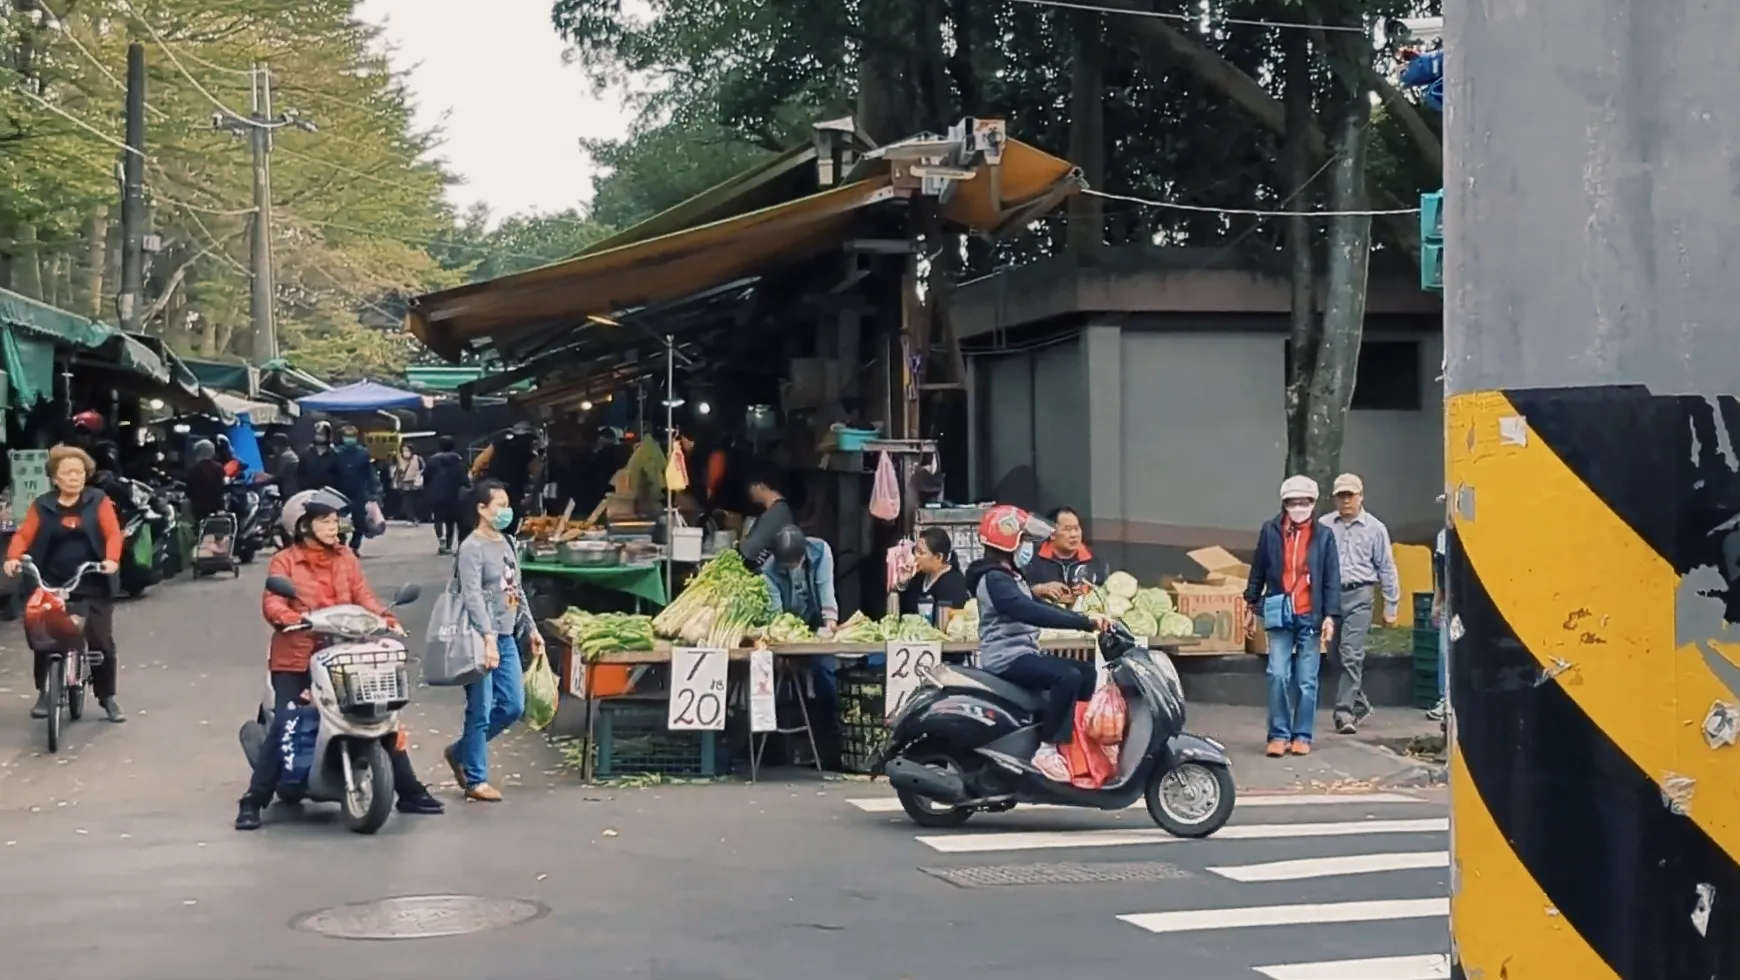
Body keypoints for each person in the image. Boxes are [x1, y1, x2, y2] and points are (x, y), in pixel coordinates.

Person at [233, 488, 445, 830]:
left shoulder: (347, 558)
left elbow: (364, 597)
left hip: (346, 654)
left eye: (336, 521)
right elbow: (273, 602)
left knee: (380, 712)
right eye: (326, 521)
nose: (335, 527)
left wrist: (386, 619)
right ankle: (253, 801)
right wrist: (291, 619)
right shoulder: (284, 561)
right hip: (297, 658)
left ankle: (409, 791)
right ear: (303, 526)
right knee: (288, 722)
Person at [963, 504, 1109, 782]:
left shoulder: (1010, 575)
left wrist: (1084, 616)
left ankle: (1076, 743)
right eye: (1024, 541)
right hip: (1006, 658)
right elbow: (1030, 611)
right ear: (1009, 542)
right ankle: (1047, 749)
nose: (1027, 547)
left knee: (1086, 673)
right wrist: (1084, 622)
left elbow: (1038, 605)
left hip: (1024, 652)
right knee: (1066, 676)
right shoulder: (995, 579)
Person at [4, 445, 125, 723]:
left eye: (80, 472)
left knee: (100, 642)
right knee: (44, 635)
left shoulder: (98, 500)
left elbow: (112, 534)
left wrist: (111, 560)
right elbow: (23, 536)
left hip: (92, 580)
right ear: (55, 478)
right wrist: (12, 558)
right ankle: (46, 691)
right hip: (52, 581)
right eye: (68, 472)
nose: (75, 477)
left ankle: (107, 697)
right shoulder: (43, 505)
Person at [445, 479, 536, 802]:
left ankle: (460, 751)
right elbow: (471, 595)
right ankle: (476, 780)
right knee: (480, 710)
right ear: (481, 509)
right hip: (477, 637)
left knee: (513, 705)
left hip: (508, 633)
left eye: (507, 504)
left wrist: (532, 630)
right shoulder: (471, 548)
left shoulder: (507, 543)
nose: (505, 510)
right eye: (499, 504)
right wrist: (487, 638)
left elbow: (516, 589)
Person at [1244, 475, 1342, 758]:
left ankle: (1302, 734)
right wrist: (1251, 605)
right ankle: (1278, 734)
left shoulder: (1324, 536)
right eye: (1293, 502)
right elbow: (1258, 569)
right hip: (1279, 612)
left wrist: (1330, 616)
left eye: (1305, 502)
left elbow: (1331, 578)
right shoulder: (1270, 531)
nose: (1299, 507)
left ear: (1313, 503)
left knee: (1306, 680)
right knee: (1277, 673)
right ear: (1284, 503)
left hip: (1310, 614)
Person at [1319, 473, 1401, 735]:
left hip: (1360, 594)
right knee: (1333, 656)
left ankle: (1344, 713)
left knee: (1351, 653)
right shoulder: (1324, 525)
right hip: (1330, 596)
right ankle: (1360, 702)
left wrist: (1391, 606)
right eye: (1340, 496)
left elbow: (1387, 567)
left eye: (1350, 495)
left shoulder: (1375, 528)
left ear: (1360, 496)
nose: (1345, 501)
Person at [761, 525, 842, 764]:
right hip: (790, 629)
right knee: (781, 679)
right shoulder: (768, 572)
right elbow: (776, 615)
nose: (792, 567)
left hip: (817, 625)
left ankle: (831, 740)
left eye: (796, 562)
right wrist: (787, 637)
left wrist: (829, 623)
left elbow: (826, 590)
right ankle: (780, 749)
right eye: (787, 564)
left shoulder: (819, 551)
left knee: (825, 671)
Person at [1022, 506, 1110, 594]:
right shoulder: (1030, 560)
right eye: (1067, 529)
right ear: (1052, 533)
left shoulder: (1096, 563)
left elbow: (1106, 594)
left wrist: (1089, 592)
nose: (1074, 534)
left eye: (1076, 528)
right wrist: (1039, 589)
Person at [896, 527, 970, 622]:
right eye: (915, 550)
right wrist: (904, 583)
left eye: (921, 553)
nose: (916, 555)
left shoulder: (953, 584)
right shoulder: (920, 575)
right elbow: (906, 613)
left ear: (939, 557)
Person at [736, 465, 796, 569]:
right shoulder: (782, 510)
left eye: (750, 487)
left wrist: (741, 539)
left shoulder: (775, 514)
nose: (749, 493)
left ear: (760, 486)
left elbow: (749, 551)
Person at [332, 425, 380, 552]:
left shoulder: (363, 453)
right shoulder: (336, 453)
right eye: (347, 436)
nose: (349, 439)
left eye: (351, 436)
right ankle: (341, 543)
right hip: (340, 491)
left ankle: (355, 546)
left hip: (358, 491)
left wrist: (373, 490)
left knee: (359, 520)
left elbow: (369, 472)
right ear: (342, 438)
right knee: (339, 520)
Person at [423, 435, 469, 554]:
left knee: (438, 519)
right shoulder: (458, 460)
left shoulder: (432, 460)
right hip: (454, 494)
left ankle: (441, 541)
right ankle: (449, 544)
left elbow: (426, 477)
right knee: (451, 520)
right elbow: (463, 478)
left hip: (436, 493)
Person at [1428, 520, 1449, 722]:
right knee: (1444, 651)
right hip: (1450, 603)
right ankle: (1445, 700)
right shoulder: (1443, 537)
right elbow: (1441, 577)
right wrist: (1436, 605)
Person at [184, 439, 229, 521]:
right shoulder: (219, 467)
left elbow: (189, 492)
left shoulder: (194, 469)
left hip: (200, 510)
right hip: (218, 507)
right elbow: (222, 487)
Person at [297, 421, 340, 496]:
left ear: (328, 436)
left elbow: (340, 477)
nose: (319, 437)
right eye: (317, 434)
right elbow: (300, 475)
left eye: (321, 434)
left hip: (330, 495)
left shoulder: (336, 455)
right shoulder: (306, 454)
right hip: (309, 495)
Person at [392, 443, 425, 525]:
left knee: (416, 501)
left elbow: (423, 469)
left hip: (415, 482)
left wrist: (419, 477)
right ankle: (411, 518)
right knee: (408, 501)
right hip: (405, 483)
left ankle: (415, 517)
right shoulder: (400, 460)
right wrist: (396, 482)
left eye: (407, 450)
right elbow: (397, 472)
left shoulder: (417, 458)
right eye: (403, 450)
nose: (405, 452)